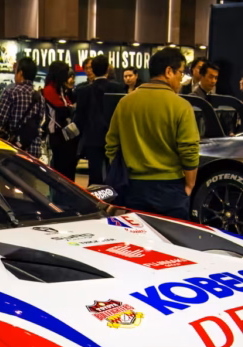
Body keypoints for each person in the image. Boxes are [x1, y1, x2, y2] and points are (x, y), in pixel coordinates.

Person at [106, 46, 199, 219]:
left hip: (132, 187)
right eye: (180, 72)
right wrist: (190, 184)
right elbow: (189, 149)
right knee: (171, 242)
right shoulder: (181, 106)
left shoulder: (125, 103)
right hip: (170, 188)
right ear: (168, 71)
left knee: (137, 240)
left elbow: (111, 144)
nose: (181, 79)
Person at [75, 54, 126, 185]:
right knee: (113, 173)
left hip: (92, 138)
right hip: (113, 137)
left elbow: (79, 117)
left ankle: (95, 202)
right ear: (107, 69)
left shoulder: (83, 91)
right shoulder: (118, 88)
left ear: (92, 69)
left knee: (94, 175)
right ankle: (111, 202)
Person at [0, 56, 45, 157]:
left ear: (20, 73)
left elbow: (1, 119)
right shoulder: (40, 97)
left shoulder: (10, 93)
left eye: (15, 72)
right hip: (33, 149)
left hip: (14, 149)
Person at [42, 60, 77, 180]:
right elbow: (62, 110)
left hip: (67, 134)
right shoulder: (49, 89)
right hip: (57, 134)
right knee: (61, 170)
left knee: (70, 167)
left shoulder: (61, 89)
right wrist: (70, 108)